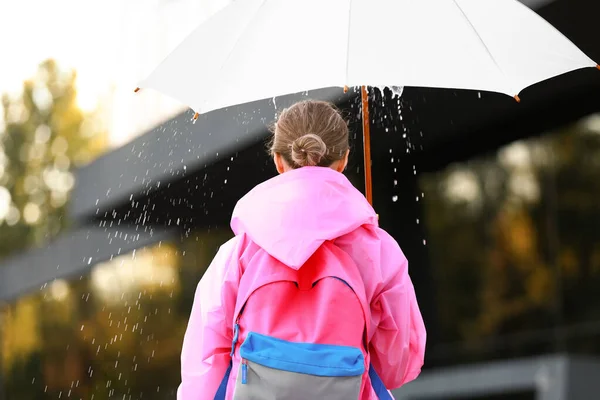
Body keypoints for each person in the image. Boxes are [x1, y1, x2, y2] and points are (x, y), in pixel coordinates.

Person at [177, 100, 426, 400]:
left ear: (279, 161)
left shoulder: (238, 252)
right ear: (345, 159)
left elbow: (202, 367)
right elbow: (398, 367)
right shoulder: (379, 250)